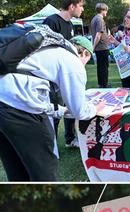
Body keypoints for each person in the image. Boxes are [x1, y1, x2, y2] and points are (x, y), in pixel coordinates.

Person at [0, 35, 106, 181]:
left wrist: (61, 110)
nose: (84, 65)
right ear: (85, 54)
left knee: (16, 169)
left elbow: (34, 96)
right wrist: (96, 108)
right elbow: (80, 111)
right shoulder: (72, 62)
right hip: (18, 107)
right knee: (45, 170)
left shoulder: (49, 49)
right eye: (87, 61)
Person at [44, 0, 85, 148]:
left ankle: (70, 139)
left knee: (71, 107)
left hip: (67, 74)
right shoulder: (51, 21)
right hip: (53, 75)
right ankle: (51, 146)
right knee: (55, 111)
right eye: (81, 6)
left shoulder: (70, 25)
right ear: (72, 6)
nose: (82, 9)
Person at [91, 3, 110, 88]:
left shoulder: (95, 18)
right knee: (104, 67)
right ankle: (104, 85)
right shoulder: (99, 19)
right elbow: (98, 34)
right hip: (102, 47)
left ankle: (101, 84)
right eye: (106, 10)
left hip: (100, 48)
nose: (106, 12)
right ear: (103, 10)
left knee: (100, 67)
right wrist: (93, 47)